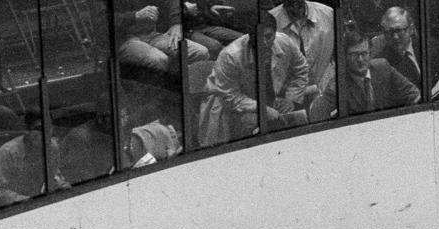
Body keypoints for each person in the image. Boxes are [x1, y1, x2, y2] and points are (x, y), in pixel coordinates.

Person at [196, 12, 310, 147]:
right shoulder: (230, 55)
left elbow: (301, 69)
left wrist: (291, 98)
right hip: (230, 106)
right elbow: (230, 96)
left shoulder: (284, 41)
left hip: (268, 99)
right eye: (258, 38)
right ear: (249, 36)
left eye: (269, 36)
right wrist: (263, 109)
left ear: (275, 32)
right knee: (255, 123)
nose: (264, 43)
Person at [310, 29, 420, 120]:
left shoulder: (383, 67)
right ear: (345, 57)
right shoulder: (338, 85)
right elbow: (317, 114)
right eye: (354, 54)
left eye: (364, 53)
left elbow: (412, 93)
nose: (360, 60)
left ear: (370, 53)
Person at [372, 6, 439, 99]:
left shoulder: (429, 46)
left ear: (410, 29)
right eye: (390, 32)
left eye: (399, 31)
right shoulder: (382, 63)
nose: (395, 37)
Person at [114, 0, 210, 82]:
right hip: (123, 38)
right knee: (159, 59)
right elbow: (101, 20)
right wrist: (134, 16)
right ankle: (156, 99)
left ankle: (190, 96)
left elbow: (172, 1)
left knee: (200, 52)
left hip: (151, 34)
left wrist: (176, 23)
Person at [270, 0, 335, 105]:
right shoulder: (270, 20)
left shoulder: (328, 14)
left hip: (327, 93)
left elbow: (341, 54)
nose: (295, 6)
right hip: (287, 100)